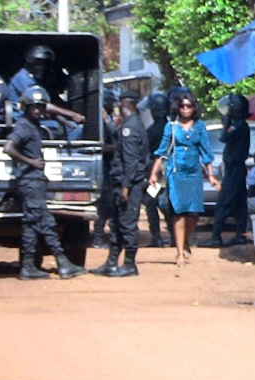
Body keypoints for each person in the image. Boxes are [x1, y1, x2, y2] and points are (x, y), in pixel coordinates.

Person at [3, 85, 86, 280]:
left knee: (31, 224)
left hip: (33, 181)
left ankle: (29, 266)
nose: (38, 111)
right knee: (45, 222)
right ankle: (62, 262)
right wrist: (31, 161)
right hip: (31, 181)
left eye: (40, 107)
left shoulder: (32, 124)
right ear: (25, 107)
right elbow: (8, 147)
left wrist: (62, 117)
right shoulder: (24, 126)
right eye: (34, 107)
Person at [148, 91, 219, 267]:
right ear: (177, 108)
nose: (185, 109)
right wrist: (154, 173)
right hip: (176, 172)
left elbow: (206, 151)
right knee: (178, 213)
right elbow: (162, 151)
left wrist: (211, 175)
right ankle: (179, 252)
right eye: (182, 106)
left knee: (194, 214)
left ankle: (185, 240)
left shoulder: (200, 126)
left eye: (189, 106)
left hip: (194, 173)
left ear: (194, 108)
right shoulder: (171, 126)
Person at [90, 90, 151, 277]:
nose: (119, 107)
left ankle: (130, 264)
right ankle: (111, 262)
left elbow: (131, 162)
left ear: (127, 104)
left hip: (130, 185)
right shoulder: (130, 125)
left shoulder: (131, 127)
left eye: (121, 104)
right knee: (116, 224)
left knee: (127, 224)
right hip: (122, 182)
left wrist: (126, 186)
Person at [202, 93, 250, 248]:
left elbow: (224, 137)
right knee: (239, 204)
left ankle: (216, 236)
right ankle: (240, 235)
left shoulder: (239, 125)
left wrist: (226, 125)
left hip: (235, 169)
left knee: (224, 201)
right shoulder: (240, 125)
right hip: (236, 169)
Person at [7, 45, 86, 140]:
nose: (40, 67)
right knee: (74, 129)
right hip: (24, 121)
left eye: (43, 63)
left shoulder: (34, 79)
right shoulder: (23, 78)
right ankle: (66, 154)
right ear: (29, 62)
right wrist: (72, 114)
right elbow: (42, 104)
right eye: (37, 63)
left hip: (35, 119)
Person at [92, 89, 119, 249]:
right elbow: (100, 147)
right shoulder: (100, 122)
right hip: (102, 169)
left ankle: (101, 236)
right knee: (105, 204)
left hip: (108, 168)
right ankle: (98, 237)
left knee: (108, 204)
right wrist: (116, 148)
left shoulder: (106, 121)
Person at [143, 93, 171, 248]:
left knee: (152, 202)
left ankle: (157, 237)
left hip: (158, 169)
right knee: (165, 203)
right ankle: (173, 235)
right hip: (166, 169)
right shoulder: (169, 127)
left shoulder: (155, 129)